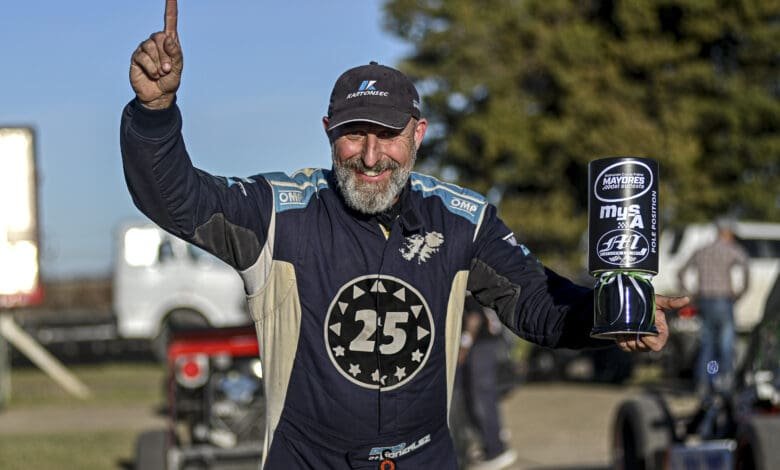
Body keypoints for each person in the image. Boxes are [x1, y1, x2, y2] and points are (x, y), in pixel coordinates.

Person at [122, 1, 687, 468]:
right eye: (353, 134)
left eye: (388, 135)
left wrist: (610, 316)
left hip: (426, 458)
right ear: (327, 133)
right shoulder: (279, 211)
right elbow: (176, 198)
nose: (371, 156)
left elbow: (536, 304)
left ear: (418, 134)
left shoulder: (462, 219)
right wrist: (155, 111)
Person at [678, 217, 749, 392]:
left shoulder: (702, 250)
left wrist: (691, 294)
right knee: (725, 344)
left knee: (707, 344)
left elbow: (681, 273)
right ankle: (724, 383)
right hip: (723, 300)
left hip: (704, 301)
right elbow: (746, 269)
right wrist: (740, 292)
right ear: (726, 233)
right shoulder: (731, 250)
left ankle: (704, 382)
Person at [455, 295, 517, 469]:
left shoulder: (468, 278)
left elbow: (475, 317)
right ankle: (490, 441)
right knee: (476, 397)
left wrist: (464, 345)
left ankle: (496, 449)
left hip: (481, 344)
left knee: (481, 399)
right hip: (483, 344)